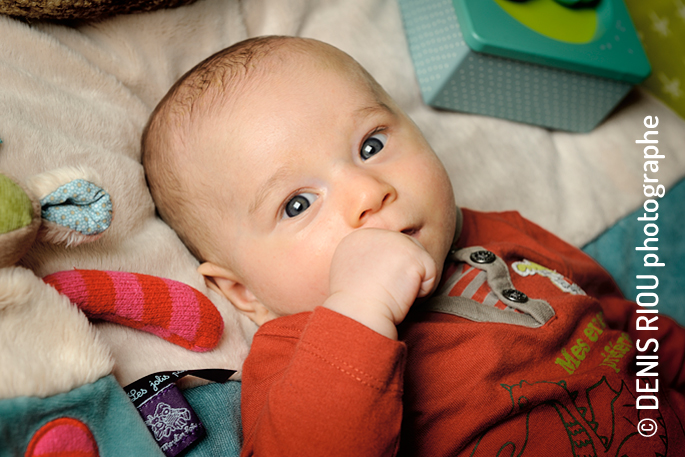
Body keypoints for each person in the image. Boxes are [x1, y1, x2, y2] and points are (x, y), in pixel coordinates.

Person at [142, 36, 685, 456]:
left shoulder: (503, 232)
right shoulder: (298, 357)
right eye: (297, 204)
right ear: (243, 291)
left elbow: (622, 324)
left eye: (370, 145)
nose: (367, 193)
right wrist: (359, 308)